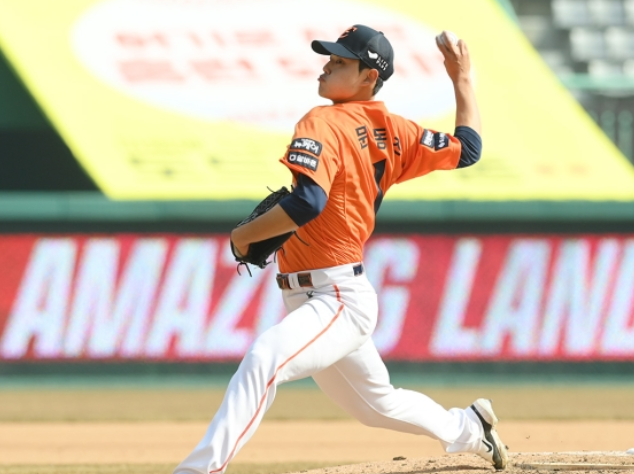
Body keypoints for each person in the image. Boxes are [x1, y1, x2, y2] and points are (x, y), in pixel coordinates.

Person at [174, 24, 508, 474]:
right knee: (378, 404)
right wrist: (462, 80)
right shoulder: (396, 131)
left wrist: (243, 236)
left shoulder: (322, 121)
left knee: (263, 359)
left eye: (340, 61)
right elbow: (468, 149)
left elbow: (307, 203)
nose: (326, 66)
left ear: (369, 77)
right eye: (329, 58)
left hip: (334, 297)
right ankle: (469, 428)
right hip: (326, 295)